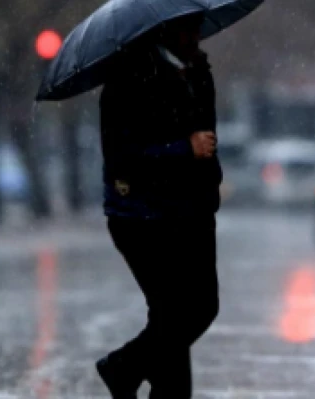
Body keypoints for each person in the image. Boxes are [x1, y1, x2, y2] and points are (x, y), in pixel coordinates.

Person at [95, 12, 222, 399]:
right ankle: (124, 368)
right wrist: (183, 149)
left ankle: (134, 374)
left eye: (198, 24)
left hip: (193, 210)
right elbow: (121, 158)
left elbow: (207, 134)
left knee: (195, 309)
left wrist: (208, 177)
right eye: (187, 26)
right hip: (143, 217)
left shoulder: (199, 70)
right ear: (163, 30)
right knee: (179, 313)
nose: (196, 33)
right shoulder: (126, 80)